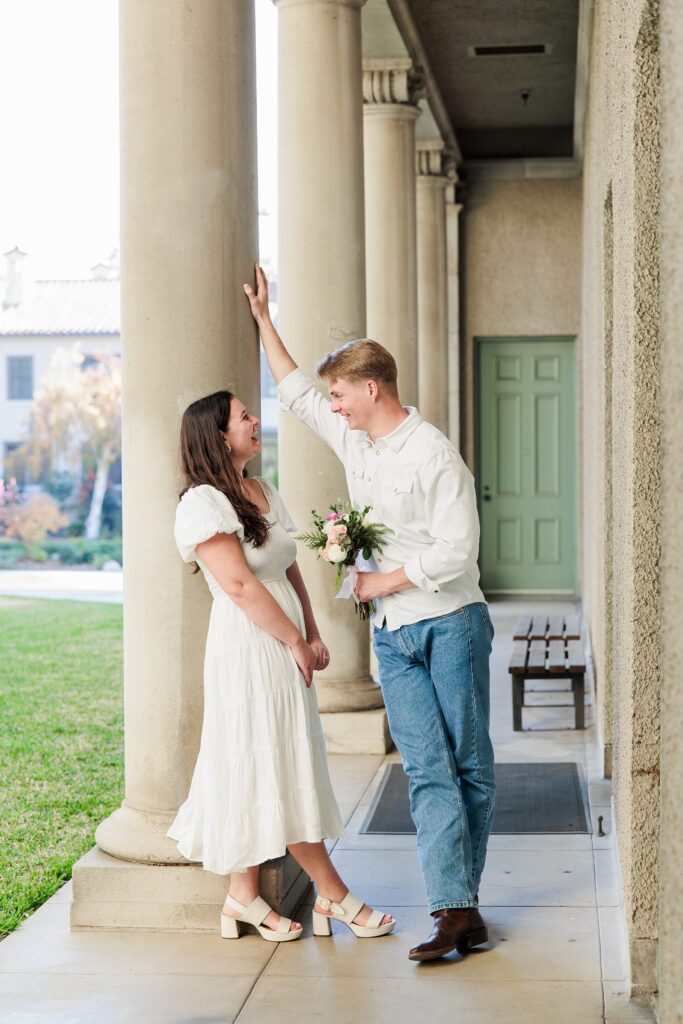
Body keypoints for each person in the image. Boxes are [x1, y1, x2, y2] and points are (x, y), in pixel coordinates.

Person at [244, 265, 495, 962]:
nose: (335, 406)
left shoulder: (434, 454)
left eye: (341, 394)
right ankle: (452, 909)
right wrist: (265, 319)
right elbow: (296, 392)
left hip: (450, 622)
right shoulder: (353, 438)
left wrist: (383, 579)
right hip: (392, 635)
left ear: (371, 388)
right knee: (427, 770)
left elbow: (459, 548)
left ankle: (462, 902)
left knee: (468, 767)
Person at [167, 388, 395, 942]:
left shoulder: (262, 489)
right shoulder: (201, 503)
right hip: (248, 647)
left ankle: (241, 896)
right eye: (244, 416)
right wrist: (294, 640)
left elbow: (288, 569)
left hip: (284, 638)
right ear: (219, 436)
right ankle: (333, 894)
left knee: (268, 757)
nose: (255, 420)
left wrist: (312, 632)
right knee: (271, 761)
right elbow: (240, 586)